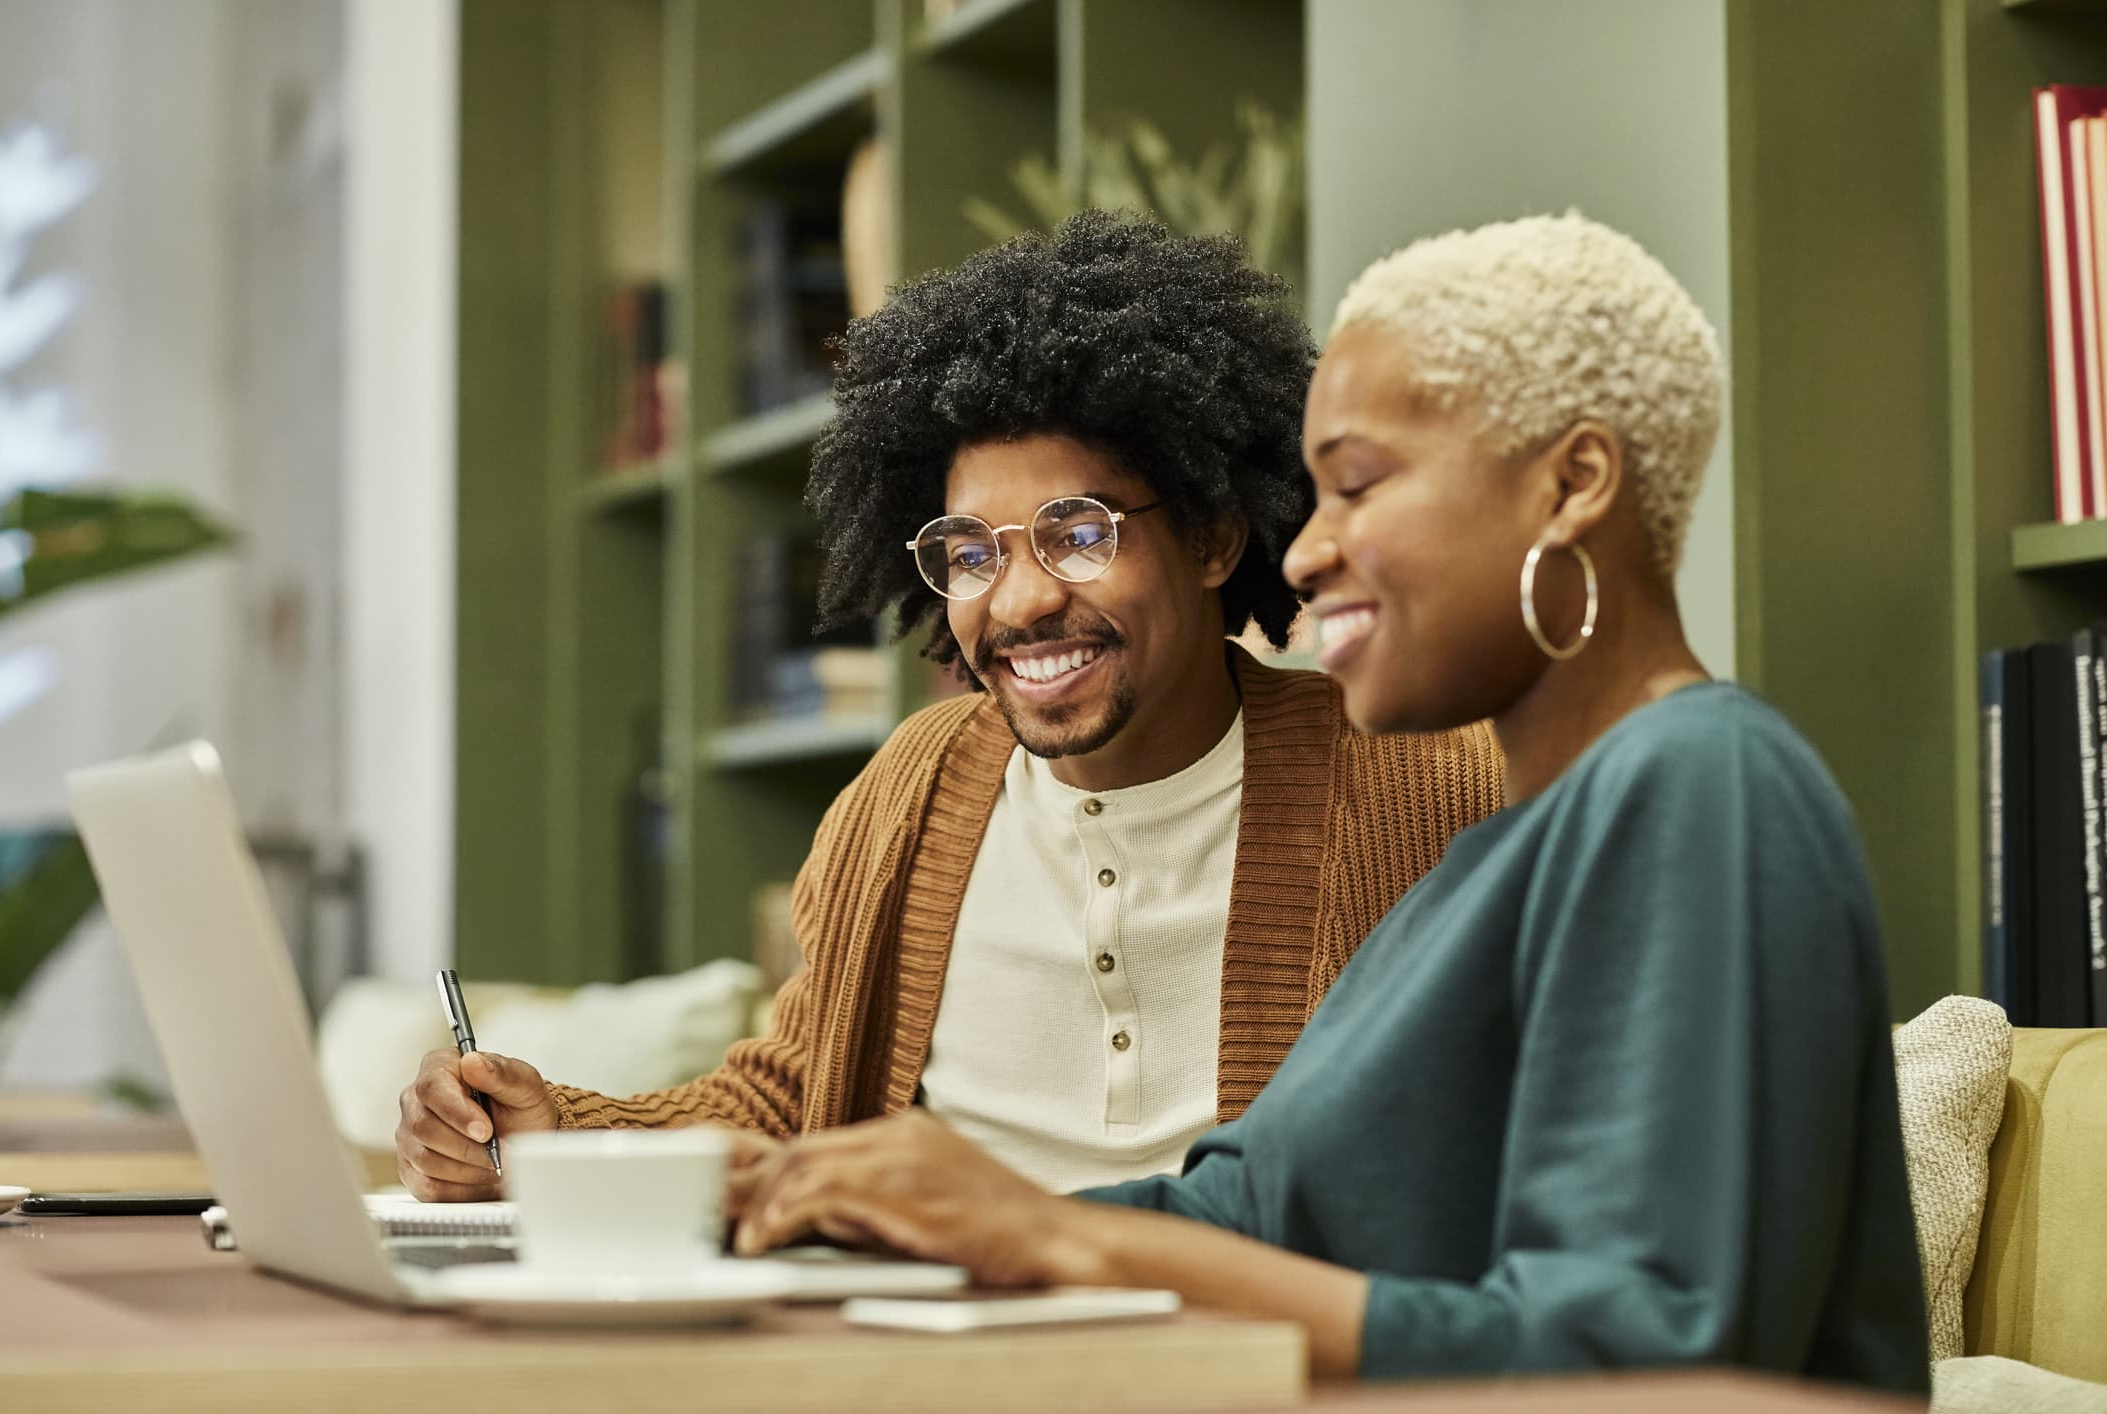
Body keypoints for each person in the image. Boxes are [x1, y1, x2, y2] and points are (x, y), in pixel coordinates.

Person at [725, 213, 1931, 1393]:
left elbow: (1652, 1362)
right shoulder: (1480, 873)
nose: (1304, 552)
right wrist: (862, 1205)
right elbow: (1232, 1215)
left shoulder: (1698, 778)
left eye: (1359, 486)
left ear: (1572, 485)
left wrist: (1063, 1241)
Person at [395, 212, 1505, 1203]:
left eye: (1080, 533)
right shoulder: (912, 788)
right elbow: (795, 1098)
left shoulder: (1427, 785)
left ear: (1215, 539)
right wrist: (554, 1136)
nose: (1019, 601)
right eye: (969, 552)